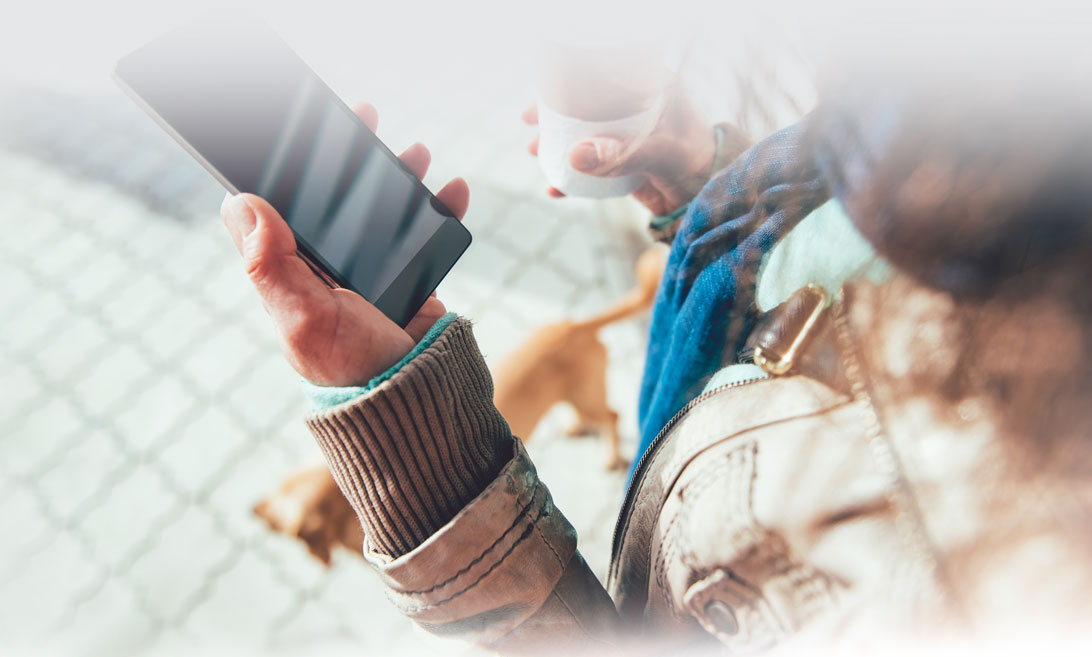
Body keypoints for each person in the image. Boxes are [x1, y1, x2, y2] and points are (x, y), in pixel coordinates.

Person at [215, 19, 1092, 654]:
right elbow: (814, 280)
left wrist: (415, 455)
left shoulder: (995, 586)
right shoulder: (968, 158)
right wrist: (705, 195)